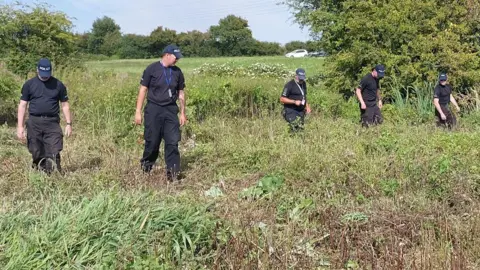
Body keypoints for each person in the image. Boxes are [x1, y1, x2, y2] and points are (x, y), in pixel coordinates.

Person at [134, 44, 187, 181]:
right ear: (167, 55)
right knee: (152, 142)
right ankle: (146, 168)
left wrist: (182, 113)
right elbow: (143, 90)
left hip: (170, 110)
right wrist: (138, 112)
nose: (177, 60)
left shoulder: (177, 72)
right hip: (154, 109)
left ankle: (173, 175)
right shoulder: (152, 69)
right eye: (176, 57)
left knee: (172, 142)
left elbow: (181, 93)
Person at [16, 58, 72, 174]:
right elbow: (22, 105)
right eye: (43, 74)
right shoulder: (29, 85)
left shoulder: (58, 85)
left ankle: (53, 175)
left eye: (47, 74)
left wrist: (68, 124)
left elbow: (65, 105)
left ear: (51, 71)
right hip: (34, 122)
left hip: (52, 122)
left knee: (54, 148)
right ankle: (40, 172)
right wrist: (20, 126)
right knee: (36, 150)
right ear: (37, 70)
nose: (45, 76)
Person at [280, 68, 311, 132]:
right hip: (291, 111)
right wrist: (294, 102)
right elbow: (282, 99)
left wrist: (307, 107)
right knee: (294, 128)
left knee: (301, 129)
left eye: (303, 78)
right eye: (300, 78)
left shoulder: (303, 84)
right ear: (296, 76)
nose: (301, 80)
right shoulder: (289, 85)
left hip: (301, 111)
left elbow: (304, 97)